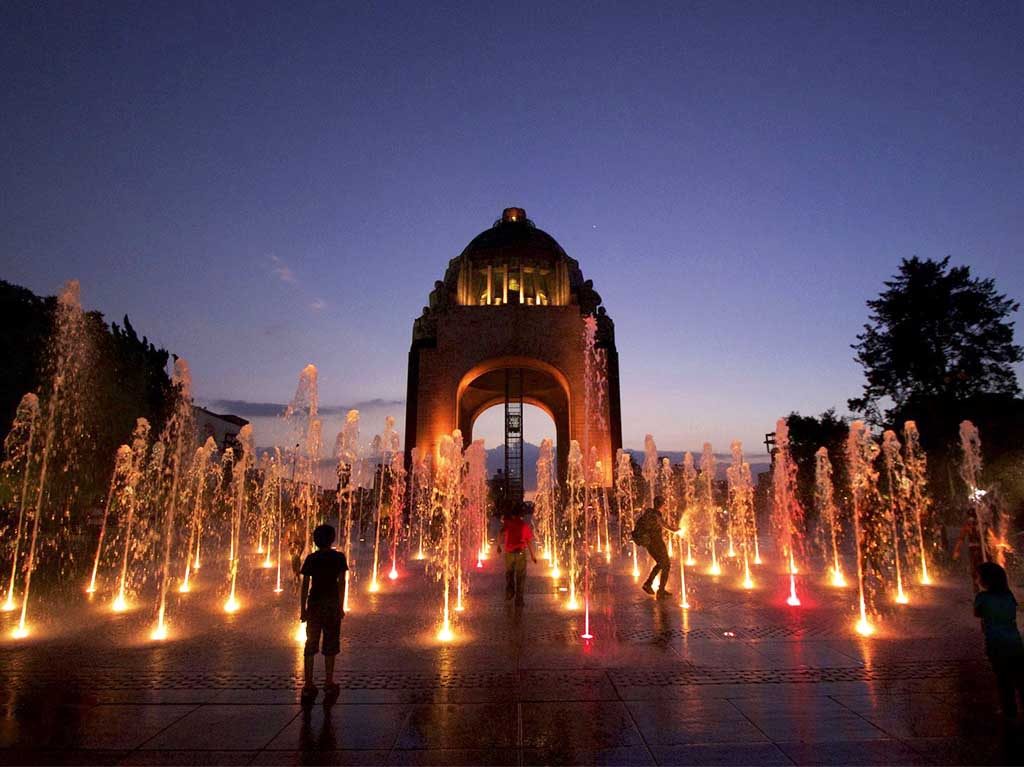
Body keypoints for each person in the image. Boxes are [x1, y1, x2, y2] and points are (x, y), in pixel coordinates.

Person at [299, 524, 348, 703]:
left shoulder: (311, 558)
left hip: (314, 605)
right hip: (332, 606)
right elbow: (342, 583)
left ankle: (308, 683)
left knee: (310, 643)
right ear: (332, 538)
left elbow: (305, 585)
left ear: (315, 540)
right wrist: (341, 606)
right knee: (330, 644)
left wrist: (303, 609)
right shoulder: (339, 558)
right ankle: (328, 681)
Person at [974, 562, 1024, 716]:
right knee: (1020, 676)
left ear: (985, 580)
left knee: (1003, 678)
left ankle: (1009, 709)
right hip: (1014, 642)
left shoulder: (982, 597)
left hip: (996, 644)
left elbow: (977, 613)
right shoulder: (1009, 595)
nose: (976, 580)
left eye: (978, 577)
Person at [496, 501, 537, 606]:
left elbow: (500, 533)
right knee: (520, 576)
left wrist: (498, 546)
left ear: (513, 514)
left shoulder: (508, 524)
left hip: (509, 553)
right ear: (521, 515)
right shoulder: (524, 526)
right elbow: (528, 541)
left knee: (509, 574)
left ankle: (510, 591)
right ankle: (519, 599)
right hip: (520, 554)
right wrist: (533, 556)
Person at [633, 496, 674, 598]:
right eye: (664, 503)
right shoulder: (655, 515)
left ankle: (649, 584)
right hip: (656, 543)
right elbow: (664, 524)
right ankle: (660, 590)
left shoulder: (649, 513)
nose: (665, 506)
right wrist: (675, 530)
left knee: (661, 563)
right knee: (666, 564)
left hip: (651, 544)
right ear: (661, 504)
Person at [954, 510, 984, 589]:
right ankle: (977, 587)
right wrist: (957, 550)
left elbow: (961, 538)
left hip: (980, 549)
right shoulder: (969, 525)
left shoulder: (981, 525)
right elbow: (961, 538)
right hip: (974, 550)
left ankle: (980, 586)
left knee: (979, 569)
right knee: (975, 569)